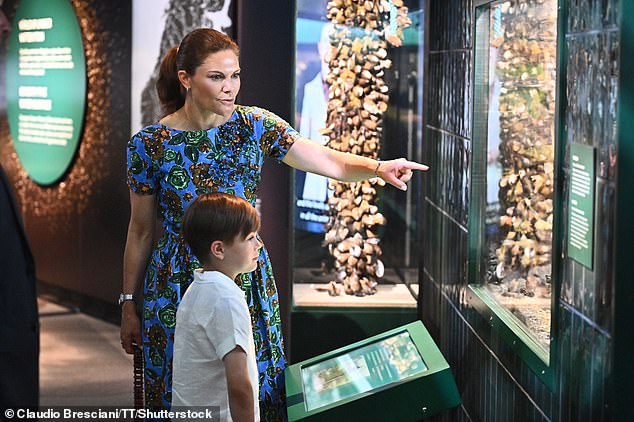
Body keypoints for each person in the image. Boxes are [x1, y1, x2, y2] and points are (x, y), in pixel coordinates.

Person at [120, 27, 428, 420]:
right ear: (186, 79)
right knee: (181, 388)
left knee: (252, 383)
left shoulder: (254, 126)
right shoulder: (148, 145)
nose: (230, 87)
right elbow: (141, 230)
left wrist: (379, 167)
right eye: (216, 77)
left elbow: (327, 160)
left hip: (242, 275)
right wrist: (128, 303)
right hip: (175, 282)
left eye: (235, 75)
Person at [172, 193, 262, 421]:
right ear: (219, 249)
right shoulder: (226, 299)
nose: (259, 244)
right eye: (250, 237)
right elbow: (240, 386)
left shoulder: (198, 287)